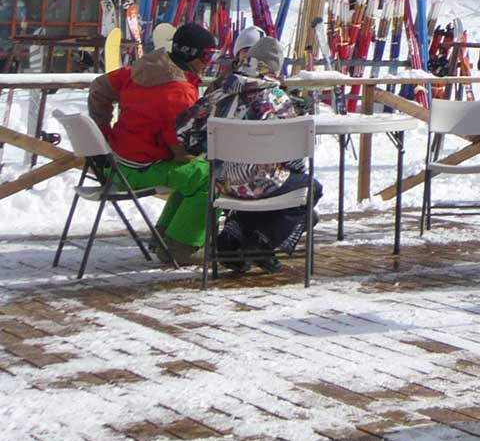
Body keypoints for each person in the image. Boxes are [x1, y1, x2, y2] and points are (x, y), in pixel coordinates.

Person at [177, 36, 321, 273]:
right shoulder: (277, 98)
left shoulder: (221, 90)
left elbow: (184, 129)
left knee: (262, 187)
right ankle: (260, 243)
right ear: (275, 68)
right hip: (260, 183)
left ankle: (233, 238)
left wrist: (208, 151)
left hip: (222, 182)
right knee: (310, 187)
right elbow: (294, 156)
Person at [85, 21, 220, 263]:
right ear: (192, 55)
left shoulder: (141, 69)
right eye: (208, 56)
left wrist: (102, 133)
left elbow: (99, 88)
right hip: (137, 172)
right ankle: (182, 247)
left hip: (114, 163)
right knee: (214, 177)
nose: (208, 63)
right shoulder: (179, 92)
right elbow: (181, 152)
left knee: (196, 173)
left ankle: (166, 238)